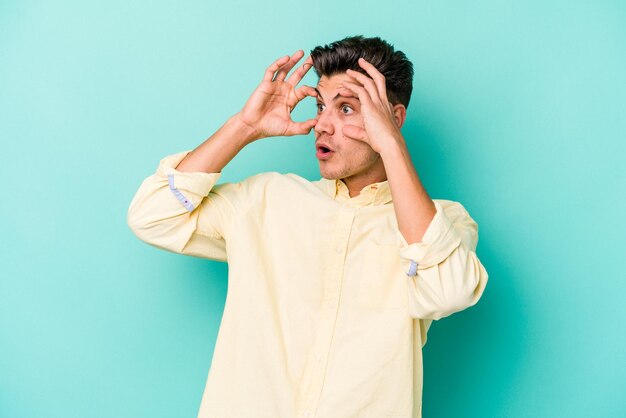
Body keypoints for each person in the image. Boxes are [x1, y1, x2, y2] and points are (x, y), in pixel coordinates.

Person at [127, 35, 488, 418]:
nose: (323, 125)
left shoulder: (441, 222)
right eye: (319, 106)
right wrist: (245, 127)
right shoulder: (264, 200)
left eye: (347, 108)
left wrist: (392, 147)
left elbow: (449, 292)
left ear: (393, 118)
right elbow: (152, 214)